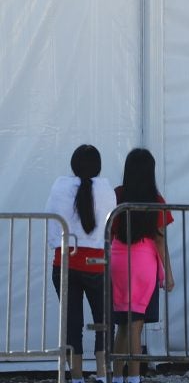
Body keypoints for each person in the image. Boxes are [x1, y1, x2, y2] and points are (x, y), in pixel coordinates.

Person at [45, 145, 116, 383]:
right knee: (102, 321)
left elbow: (52, 219)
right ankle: (103, 373)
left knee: (71, 322)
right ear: (98, 166)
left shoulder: (59, 187)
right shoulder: (106, 189)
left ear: (73, 165)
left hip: (64, 262)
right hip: (96, 263)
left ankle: (75, 377)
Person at [110, 148, 174, 383]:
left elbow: (109, 231)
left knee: (122, 324)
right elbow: (159, 238)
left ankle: (117, 377)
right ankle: (134, 378)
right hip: (143, 261)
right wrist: (168, 273)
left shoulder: (117, 194)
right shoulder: (156, 200)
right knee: (137, 324)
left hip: (117, 257)